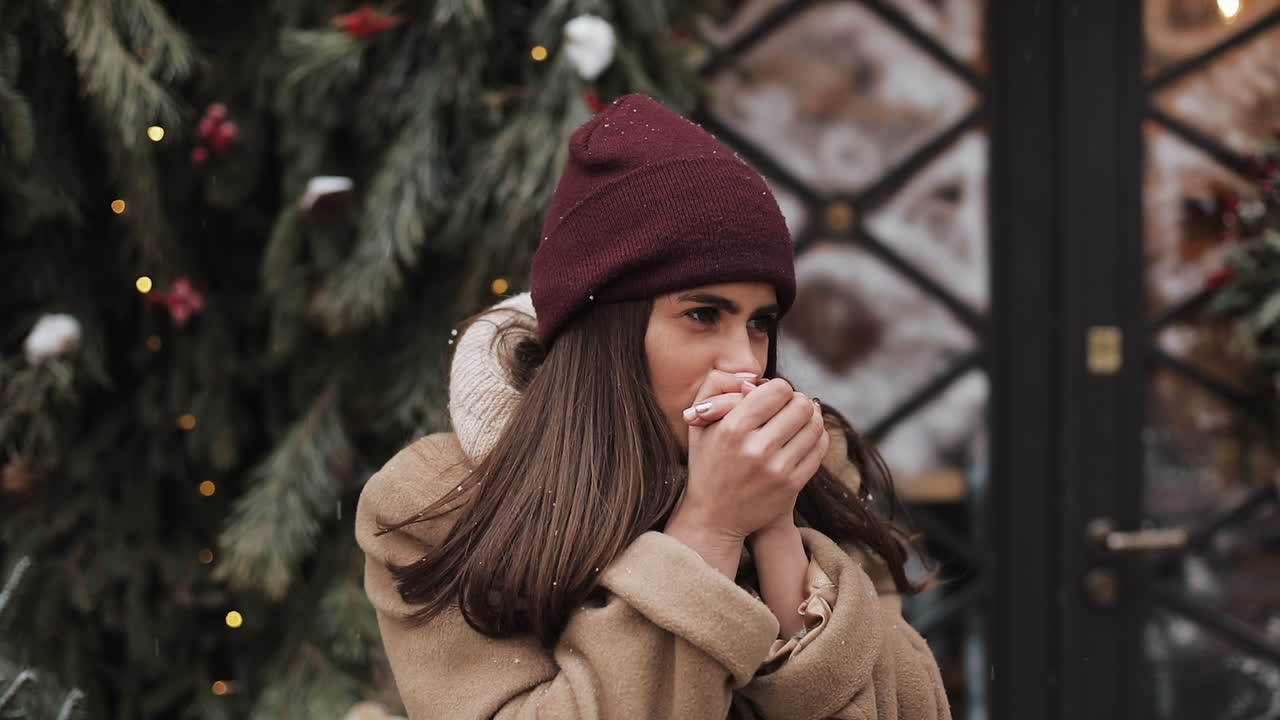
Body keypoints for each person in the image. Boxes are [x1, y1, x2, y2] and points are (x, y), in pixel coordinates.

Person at [356, 93, 950, 719]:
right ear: (609, 330)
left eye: (760, 323)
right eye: (703, 314)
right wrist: (709, 532)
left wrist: (777, 531)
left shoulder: (815, 463)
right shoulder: (439, 502)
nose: (746, 363)